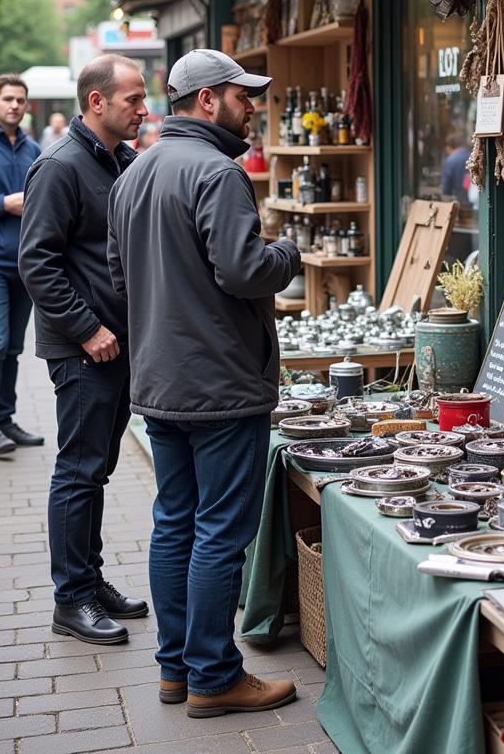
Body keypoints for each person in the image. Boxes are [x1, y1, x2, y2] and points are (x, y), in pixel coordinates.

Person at [107, 49, 302, 717]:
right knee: (219, 531)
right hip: (218, 384)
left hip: (160, 380)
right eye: (242, 95)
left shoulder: (136, 172)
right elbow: (245, 272)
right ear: (208, 100)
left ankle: (176, 670)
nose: (252, 105)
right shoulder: (218, 172)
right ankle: (214, 676)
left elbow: (118, 275)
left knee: (175, 524)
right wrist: (287, 253)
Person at [19, 54, 149, 644]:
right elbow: (37, 264)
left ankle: (89, 579)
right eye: (132, 100)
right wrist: (87, 330)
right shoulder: (60, 166)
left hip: (117, 345)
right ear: (96, 102)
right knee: (77, 470)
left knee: (96, 469)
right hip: (84, 349)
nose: (143, 110)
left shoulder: (119, 160)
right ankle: (70, 599)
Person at [0, 75, 42, 455]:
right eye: (8, 99)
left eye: (21, 100)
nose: (15, 105)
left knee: (12, 348)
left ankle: (4, 420)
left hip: (24, 265)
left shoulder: (33, 149)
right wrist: (2, 204)